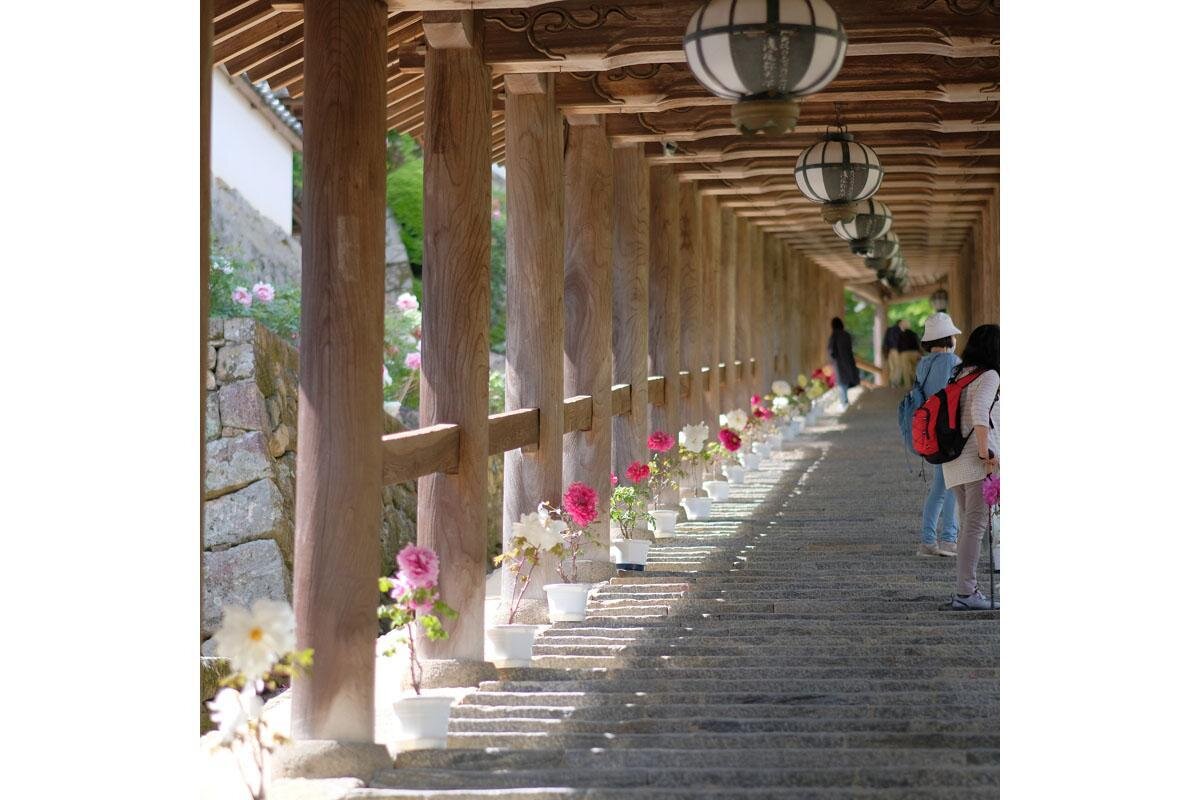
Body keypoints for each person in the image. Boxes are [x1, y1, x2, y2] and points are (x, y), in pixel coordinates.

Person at [942, 324, 1000, 610]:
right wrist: (985, 456)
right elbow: (979, 415)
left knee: (969, 526)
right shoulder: (990, 376)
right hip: (974, 462)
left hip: (952, 462)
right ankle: (966, 593)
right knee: (975, 526)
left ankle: (967, 590)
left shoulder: (960, 374)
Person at [912, 312, 963, 558]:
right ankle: (946, 539)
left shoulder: (923, 364)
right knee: (951, 486)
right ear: (948, 338)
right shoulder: (953, 362)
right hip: (949, 432)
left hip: (930, 433)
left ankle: (929, 540)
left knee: (940, 487)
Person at [826, 317, 859, 407]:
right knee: (847, 380)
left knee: (841, 382)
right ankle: (845, 402)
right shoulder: (846, 334)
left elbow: (831, 350)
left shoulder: (834, 335)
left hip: (839, 362)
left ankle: (844, 402)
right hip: (848, 360)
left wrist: (833, 359)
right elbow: (851, 348)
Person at [898, 320, 921, 387]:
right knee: (915, 370)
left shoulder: (901, 335)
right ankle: (918, 384)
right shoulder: (914, 334)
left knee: (906, 371)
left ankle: (908, 387)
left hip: (905, 354)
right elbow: (918, 345)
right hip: (915, 353)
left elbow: (899, 346)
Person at [883, 321, 903, 387]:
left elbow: (885, 341)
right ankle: (896, 384)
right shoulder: (900, 330)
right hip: (897, 351)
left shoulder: (889, 329)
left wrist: (885, 352)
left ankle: (892, 384)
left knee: (892, 368)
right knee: (898, 368)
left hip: (890, 351)